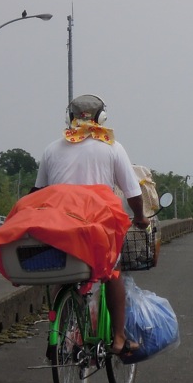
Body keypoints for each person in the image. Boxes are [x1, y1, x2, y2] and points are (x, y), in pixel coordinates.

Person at [32, 93, 149, 356]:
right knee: (113, 272)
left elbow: (35, 192)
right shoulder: (112, 147)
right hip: (98, 228)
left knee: (62, 270)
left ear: (69, 118)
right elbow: (133, 193)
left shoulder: (52, 149)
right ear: (101, 118)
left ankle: (59, 329)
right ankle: (119, 339)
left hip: (59, 228)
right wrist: (140, 217)